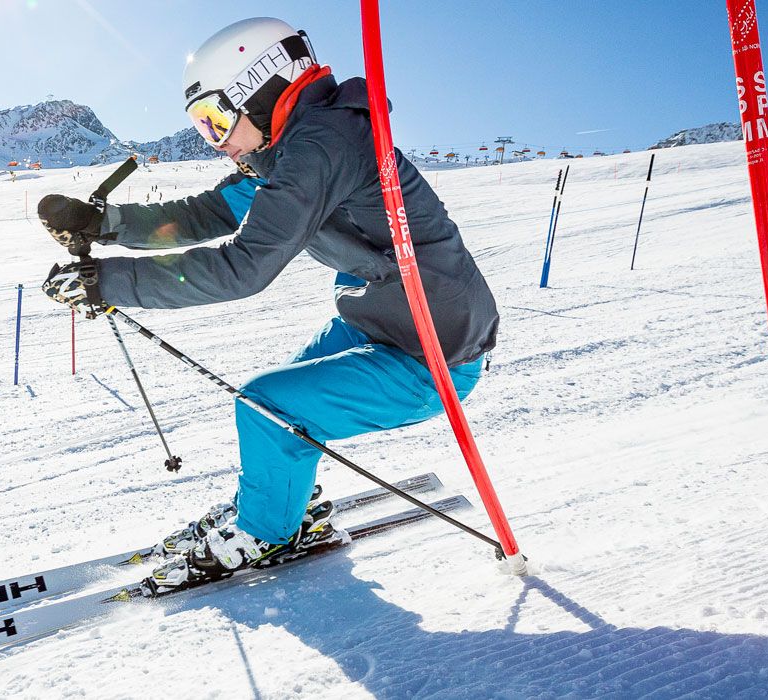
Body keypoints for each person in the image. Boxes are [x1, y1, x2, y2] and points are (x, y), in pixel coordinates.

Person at [36, 17, 498, 590]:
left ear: (262, 88)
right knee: (274, 408)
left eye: (215, 119)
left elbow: (245, 267)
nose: (217, 140)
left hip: (433, 349)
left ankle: (267, 531)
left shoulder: (322, 149)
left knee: (269, 405)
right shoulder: (292, 151)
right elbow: (208, 213)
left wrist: (110, 283)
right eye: (204, 126)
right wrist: (105, 223)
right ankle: (281, 502)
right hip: (382, 319)